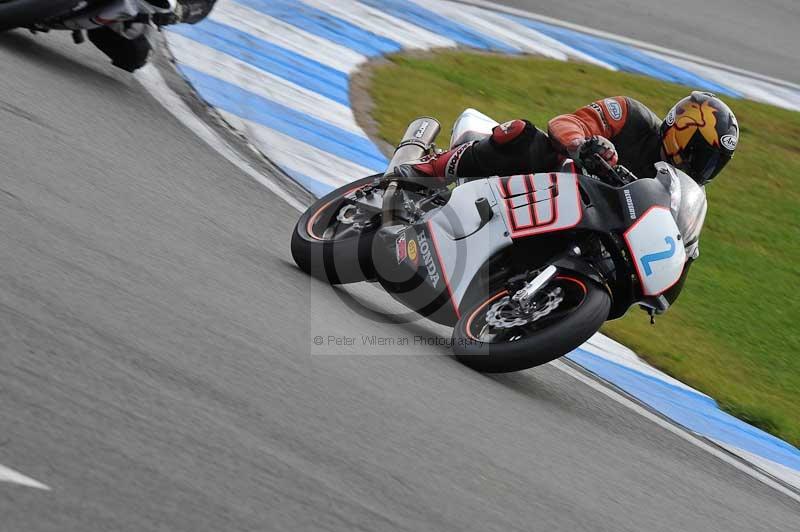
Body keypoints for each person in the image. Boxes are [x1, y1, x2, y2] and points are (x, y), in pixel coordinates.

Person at [397, 91, 739, 188]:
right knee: (523, 136)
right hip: (557, 180)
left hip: (594, 219)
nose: (704, 169)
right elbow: (568, 122)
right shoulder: (630, 115)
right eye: (702, 156)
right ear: (683, 132)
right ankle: (429, 168)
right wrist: (581, 146)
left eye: (714, 164)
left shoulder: (679, 191)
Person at [88, 0, 217, 72]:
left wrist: (177, 12)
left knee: (137, 53)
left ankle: (93, 18)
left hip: (137, 7)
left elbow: (199, 9)